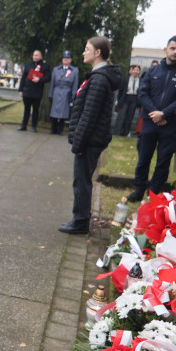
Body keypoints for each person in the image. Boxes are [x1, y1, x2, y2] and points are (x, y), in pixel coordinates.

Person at [60, 37, 121, 234]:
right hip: (90, 140)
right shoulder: (97, 76)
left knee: (82, 182)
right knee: (82, 181)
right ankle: (79, 219)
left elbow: (89, 115)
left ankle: (80, 222)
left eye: (87, 49)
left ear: (97, 53)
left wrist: (78, 144)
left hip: (89, 141)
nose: (83, 52)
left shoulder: (99, 79)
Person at [128, 35, 176, 201]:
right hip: (150, 121)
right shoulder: (153, 71)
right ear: (166, 49)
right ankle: (139, 188)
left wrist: (165, 114)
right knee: (144, 157)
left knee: (163, 160)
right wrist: (155, 114)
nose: (175, 51)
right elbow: (143, 93)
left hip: (170, 123)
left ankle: (154, 192)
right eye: (172, 48)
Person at [18, 50, 50, 132]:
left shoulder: (45, 66)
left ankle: (34, 126)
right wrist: (20, 89)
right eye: (34, 55)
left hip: (37, 92)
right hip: (27, 91)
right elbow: (23, 78)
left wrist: (39, 79)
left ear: (41, 56)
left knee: (35, 110)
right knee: (26, 110)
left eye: (37, 55)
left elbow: (48, 77)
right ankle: (24, 125)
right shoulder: (28, 65)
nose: (35, 57)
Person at [49, 50, 79, 135]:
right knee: (54, 111)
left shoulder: (74, 71)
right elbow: (52, 83)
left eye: (68, 58)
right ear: (62, 60)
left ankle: (60, 130)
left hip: (66, 92)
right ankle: (53, 129)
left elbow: (75, 84)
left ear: (70, 60)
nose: (66, 60)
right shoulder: (56, 69)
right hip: (57, 91)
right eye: (64, 58)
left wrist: (73, 96)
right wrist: (50, 94)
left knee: (64, 112)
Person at [114, 64, 141, 136]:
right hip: (125, 98)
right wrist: (118, 101)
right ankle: (116, 133)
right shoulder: (126, 79)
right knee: (121, 116)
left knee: (130, 117)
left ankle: (125, 133)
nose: (136, 71)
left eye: (137, 70)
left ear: (139, 72)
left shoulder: (141, 80)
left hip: (134, 99)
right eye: (134, 69)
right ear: (131, 71)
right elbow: (121, 91)